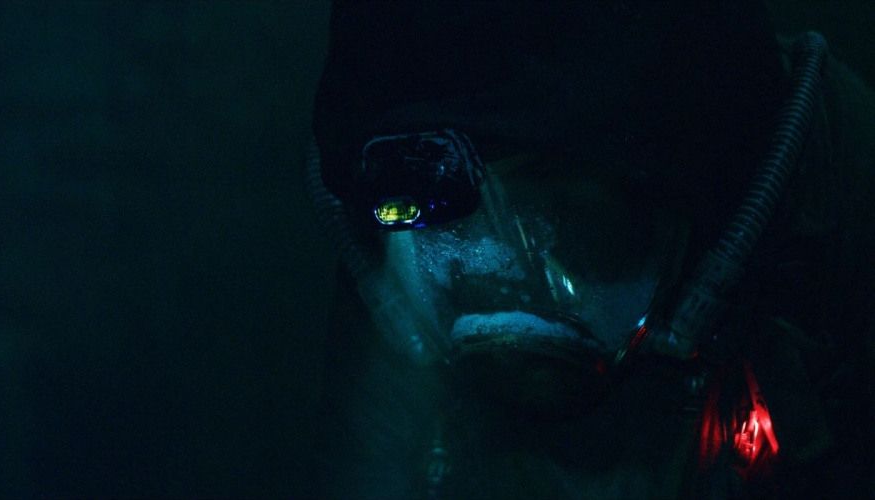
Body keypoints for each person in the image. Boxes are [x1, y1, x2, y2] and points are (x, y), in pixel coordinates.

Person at [307, 2, 875, 498]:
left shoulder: (821, 201)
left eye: (566, 216)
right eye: (443, 201)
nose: (497, 269)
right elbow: (368, 460)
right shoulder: (388, 227)